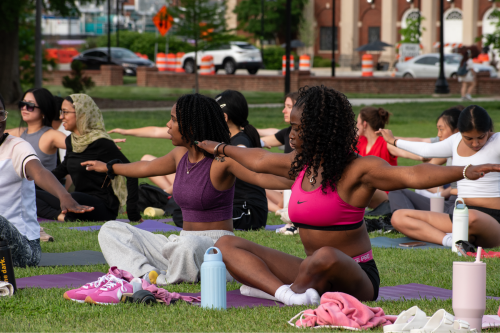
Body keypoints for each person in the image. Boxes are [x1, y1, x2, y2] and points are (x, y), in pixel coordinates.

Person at [195, 86, 500, 305]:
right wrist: (219, 148)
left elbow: (411, 175)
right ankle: (287, 294)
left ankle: (289, 292)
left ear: (320, 131)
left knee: (326, 255)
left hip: (356, 277)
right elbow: (258, 160)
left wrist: (462, 172)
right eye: (291, 128)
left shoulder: (358, 169)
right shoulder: (300, 165)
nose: (291, 137)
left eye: (298, 129)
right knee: (225, 244)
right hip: (311, 269)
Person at [82, 94, 292, 285]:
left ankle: (166, 278)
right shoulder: (179, 155)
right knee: (111, 230)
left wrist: (305, 180)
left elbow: (262, 177)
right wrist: (110, 167)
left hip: (214, 248)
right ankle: (145, 275)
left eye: (173, 119)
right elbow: (145, 167)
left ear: (191, 125)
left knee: (186, 246)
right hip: (182, 241)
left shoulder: (222, 161)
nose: (168, 124)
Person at [378, 105, 500, 248]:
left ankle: (456, 235)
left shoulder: (497, 141)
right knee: (399, 217)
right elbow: (426, 150)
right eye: (469, 138)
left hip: (492, 220)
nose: (475, 143)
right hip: (459, 216)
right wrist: (394, 141)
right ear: (460, 132)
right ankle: (452, 242)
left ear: (488, 131)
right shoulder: (455, 141)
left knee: (472, 217)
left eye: (481, 137)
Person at [0, 93, 93, 267]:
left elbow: (39, 172)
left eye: (0, 114)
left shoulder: (18, 147)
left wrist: (64, 196)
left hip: (24, 248)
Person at [35, 94, 141, 222]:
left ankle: (66, 213)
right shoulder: (71, 141)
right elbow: (62, 170)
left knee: (73, 197)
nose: (61, 117)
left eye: (65, 112)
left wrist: (133, 212)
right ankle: (62, 216)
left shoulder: (101, 142)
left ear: (82, 114)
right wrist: (34, 183)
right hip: (76, 200)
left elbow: (131, 172)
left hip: (102, 206)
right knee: (28, 194)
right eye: (60, 112)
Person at [388, 108, 462, 214]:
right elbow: (426, 165)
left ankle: (410, 222)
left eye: (441, 129)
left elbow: (425, 151)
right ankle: (409, 220)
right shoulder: (447, 149)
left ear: (457, 131)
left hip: (460, 206)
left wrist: (442, 193)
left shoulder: (470, 152)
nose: (439, 135)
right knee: (397, 190)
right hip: (448, 203)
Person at [356, 106, 426, 212]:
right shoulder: (360, 142)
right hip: (369, 190)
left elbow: (413, 154)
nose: (356, 126)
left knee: (364, 184)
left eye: (358, 123)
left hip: (388, 194)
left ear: (364, 124)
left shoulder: (385, 144)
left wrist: (424, 155)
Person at [5, 88, 67, 172]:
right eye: (22, 103)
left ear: (44, 110)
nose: (24, 108)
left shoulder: (52, 135)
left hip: (43, 185)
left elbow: (80, 148)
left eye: (30, 105)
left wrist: (63, 172)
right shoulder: (19, 132)